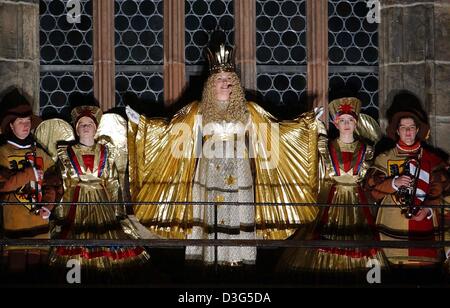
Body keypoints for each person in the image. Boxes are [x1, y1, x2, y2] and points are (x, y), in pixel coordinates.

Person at [127, 43, 320, 267]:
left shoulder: (248, 110)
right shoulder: (198, 110)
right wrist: (141, 124)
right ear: (211, 83)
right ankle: (208, 265)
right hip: (209, 171)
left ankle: (239, 264)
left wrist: (306, 124)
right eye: (220, 79)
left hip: (240, 171)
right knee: (211, 215)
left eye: (229, 79)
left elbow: (274, 130)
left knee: (239, 212)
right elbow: (171, 131)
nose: (225, 83)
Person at [277, 97, 387, 276]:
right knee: (324, 242)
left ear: (356, 123)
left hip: (357, 202)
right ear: (336, 123)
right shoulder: (324, 146)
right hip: (330, 200)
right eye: (342, 120)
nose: (346, 124)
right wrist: (309, 122)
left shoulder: (366, 149)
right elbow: (301, 148)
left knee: (360, 245)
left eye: (350, 120)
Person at [49, 105, 150, 279]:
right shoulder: (66, 153)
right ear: (76, 129)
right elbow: (65, 184)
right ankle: (79, 276)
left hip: (103, 204)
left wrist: (118, 212)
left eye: (90, 123)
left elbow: (112, 182)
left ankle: (103, 276)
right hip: (77, 203)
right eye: (82, 124)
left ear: (96, 129)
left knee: (107, 239)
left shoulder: (106, 151)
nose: (86, 126)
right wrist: (60, 213)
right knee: (78, 241)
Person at [365, 92, 448, 266]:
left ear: (418, 130)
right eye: (404, 127)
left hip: (425, 231)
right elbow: (371, 190)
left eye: (411, 127)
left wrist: (428, 210)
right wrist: (393, 183)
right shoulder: (384, 158)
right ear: (397, 130)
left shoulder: (433, 159)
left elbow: (443, 190)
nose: (408, 132)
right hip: (391, 229)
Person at [0, 88, 63, 273]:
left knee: (39, 278)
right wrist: (29, 174)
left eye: (28, 121)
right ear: (11, 125)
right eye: (20, 122)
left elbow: (54, 180)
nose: (26, 125)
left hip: (41, 231)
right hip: (14, 231)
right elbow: (3, 184)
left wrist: (49, 204)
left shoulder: (40, 152)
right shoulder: (3, 152)